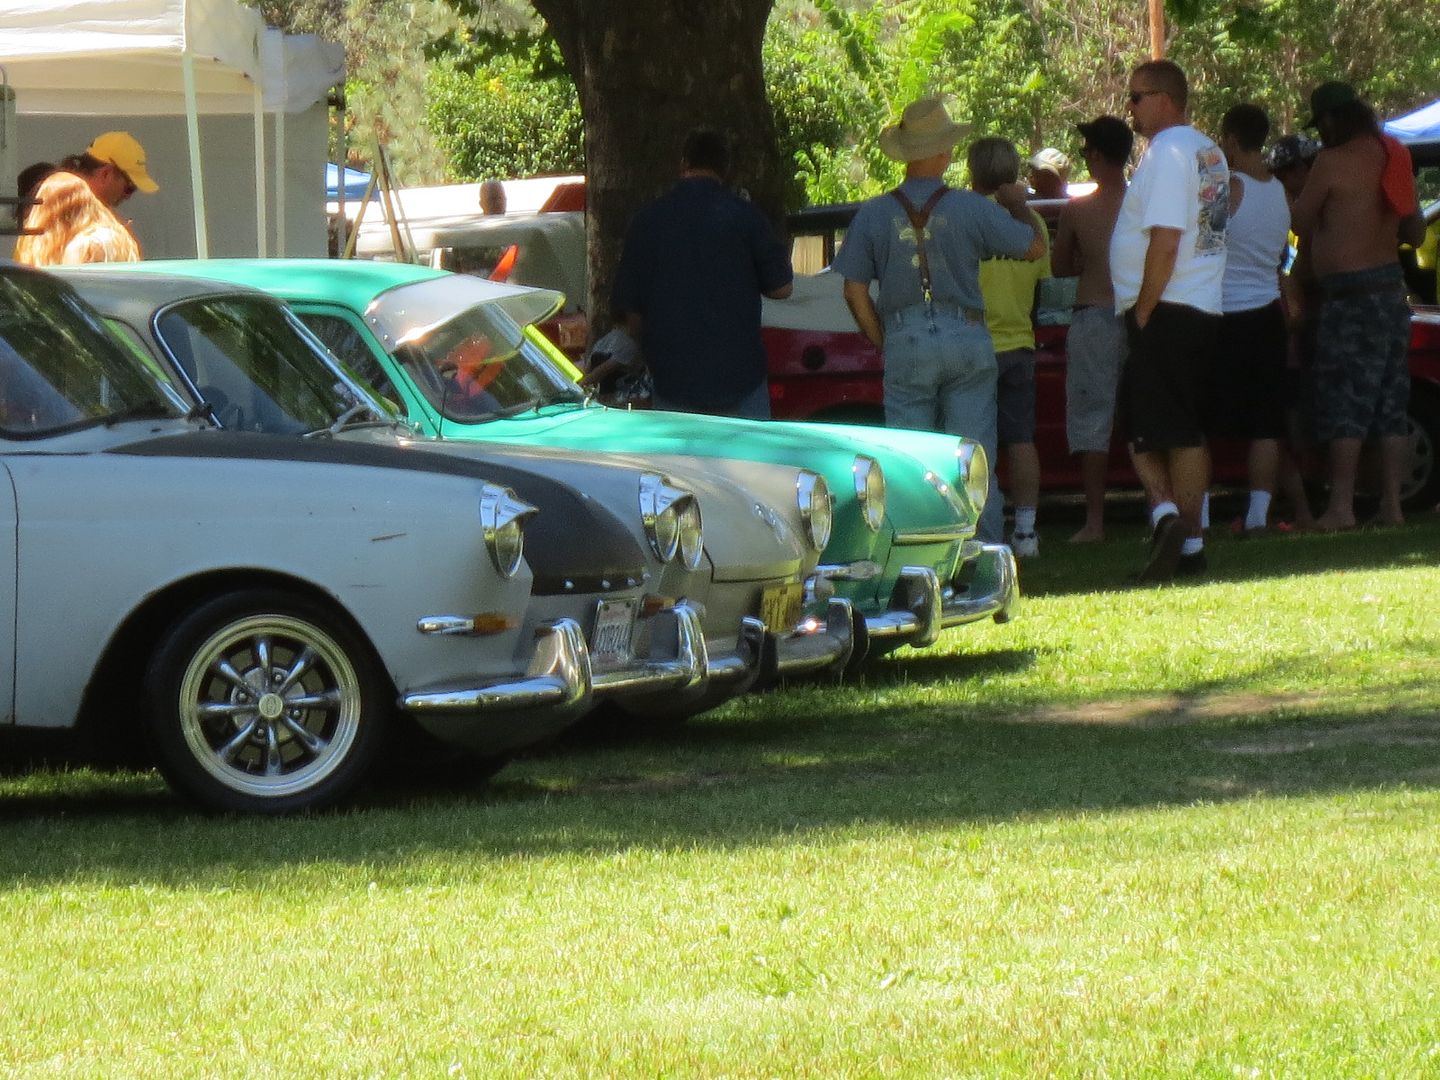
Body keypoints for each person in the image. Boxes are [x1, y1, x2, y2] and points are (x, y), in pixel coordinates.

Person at [831, 96, 1046, 543]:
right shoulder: (970, 207)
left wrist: (883, 339)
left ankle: (918, 554)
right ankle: (984, 552)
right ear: (945, 153)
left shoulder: (873, 214)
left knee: (909, 461)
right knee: (972, 455)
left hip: (906, 337)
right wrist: (1019, 204)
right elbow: (1033, 247)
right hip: (966, 333)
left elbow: (853, 289)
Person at [1110, 59, 1228, 583]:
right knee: (1183, 429)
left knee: (1145, 426)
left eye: (1136, 97)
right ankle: (1187, 540)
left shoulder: (1166, 152)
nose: (1130, 108)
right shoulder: (1210, 151)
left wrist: (1143, 308)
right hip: (1200, 304)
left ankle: (1167, 520)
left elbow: (1166, 237)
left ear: (1165, 98)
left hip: (1167, 304)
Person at [1290, 81, 1426, 530]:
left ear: (1332, 119)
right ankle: (1392, 505)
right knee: (1390, 403)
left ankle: (1342, 507)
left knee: (1345, 400)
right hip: (1390, 292)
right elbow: (1416, 234)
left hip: (1349, 297)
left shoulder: (1331, 161)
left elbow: (1300, 220)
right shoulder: (1394, 155)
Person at [614, 128, 793, 419]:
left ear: (683, 163)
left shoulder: (647, 221)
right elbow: (782, 288)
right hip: (740, 376)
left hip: (674, 378)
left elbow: (632, 315)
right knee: (748, 463)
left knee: (680, 466)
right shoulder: (746, 217)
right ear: (726, 168)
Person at [1212, 104, 1295, 536]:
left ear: (1229, 138)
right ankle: (1259, 514)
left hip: (1224, 313)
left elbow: (1205, 241)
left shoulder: (1230, 188)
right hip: (1267, 313)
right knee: (1266, 421)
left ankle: (1199, 513)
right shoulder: (1279, 191)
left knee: (1204, 419)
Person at [1052, 115, 1133, 543]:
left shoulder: (1078, 209)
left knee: (1091, 421)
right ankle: (1163, 509)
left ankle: (1095, 521)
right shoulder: (1142, 202)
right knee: (1142, 417)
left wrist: (1086, 260)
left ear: (1097, 154)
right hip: (1140, 315)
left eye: (1086, 150)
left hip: (1093, 315)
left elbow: (1060, 265)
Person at [971, 137, 1051, 558]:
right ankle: (1025, 532)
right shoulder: (1032, 226)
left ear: (971, 172)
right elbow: (1043, 285)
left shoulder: (962, 217)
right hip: (1019, 342)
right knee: (1021, 439)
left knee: (975, 441)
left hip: (974, 344)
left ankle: (980, 528)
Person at [11, 131, 157, 267]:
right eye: (129, 188)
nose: (128, 197)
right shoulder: (98, 236)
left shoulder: (104, 228)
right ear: (106, 173)